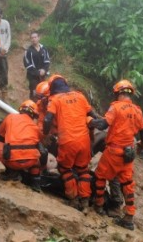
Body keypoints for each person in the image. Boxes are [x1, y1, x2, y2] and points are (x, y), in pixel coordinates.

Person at [89, 80, 143, 231]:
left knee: (100, 176)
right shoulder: (137, 110)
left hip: (114, 151)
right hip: (129, 153)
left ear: (118, 93)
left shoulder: (115, 107)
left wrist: (90, 121)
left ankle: (99, 205)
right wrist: (141, 146)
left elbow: (103, 125)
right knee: (128, 184)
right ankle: (129, 217)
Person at [43, 75, 98, 211]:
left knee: (65, 169)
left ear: (52, 89)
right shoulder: (80, 96)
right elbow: (94, 116)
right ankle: (85, 202)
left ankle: (73, 199)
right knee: (83, 171)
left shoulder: (55, 100)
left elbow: (46, 120)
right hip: (84, 140)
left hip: (67, 140)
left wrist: (45, 134)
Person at [0, 100, 44, 192]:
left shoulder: (10, 117)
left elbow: (0, 134)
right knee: (35, 156)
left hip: (13, 161)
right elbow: (39, 142)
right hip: (30, 161)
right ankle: (35, 183)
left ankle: (10, 172)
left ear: (21, 110)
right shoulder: (35, 126)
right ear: (34, 115)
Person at [23, 30, 51, 99]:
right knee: (34, 93)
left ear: (38, 38)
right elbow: (27, 64)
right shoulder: (28, 51)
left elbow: (47, 61)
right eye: (32, 38)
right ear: (30, 39)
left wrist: (44, 70)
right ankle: (33, 108)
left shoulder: (44, 49)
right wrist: (37, 72)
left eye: (35, 37)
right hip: (33, 76)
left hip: (43, 75)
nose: (34, 39)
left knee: (44, 92)